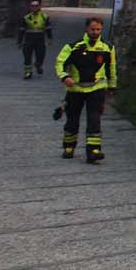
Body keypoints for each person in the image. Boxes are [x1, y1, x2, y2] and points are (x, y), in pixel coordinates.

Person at [55, 17, 116, 163]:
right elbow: (60, 63)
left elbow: (111, 68)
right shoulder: (73, 47)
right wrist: (65, 77)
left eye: (98, 29)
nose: (95, 32)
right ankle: (69, 147)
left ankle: (94, 151)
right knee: (72, 119)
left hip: (97, 88)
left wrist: (112, 86)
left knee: (94, 119)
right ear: (86, 29)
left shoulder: (107, 48)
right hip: (76, 89)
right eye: (93, 29)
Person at [18, 0, 53, 79]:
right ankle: (28, 72)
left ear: (39, 7)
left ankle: (38, 65)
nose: (34, 8)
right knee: (27, 56)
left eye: (36, 6)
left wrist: (50, 38)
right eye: (33, 6)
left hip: (40, 39)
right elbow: (21, 30)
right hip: (29, 39)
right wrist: (19, 41)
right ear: (30, 7)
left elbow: (48, 28)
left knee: (40, 55)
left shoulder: (45, 17)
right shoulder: (26, 18)